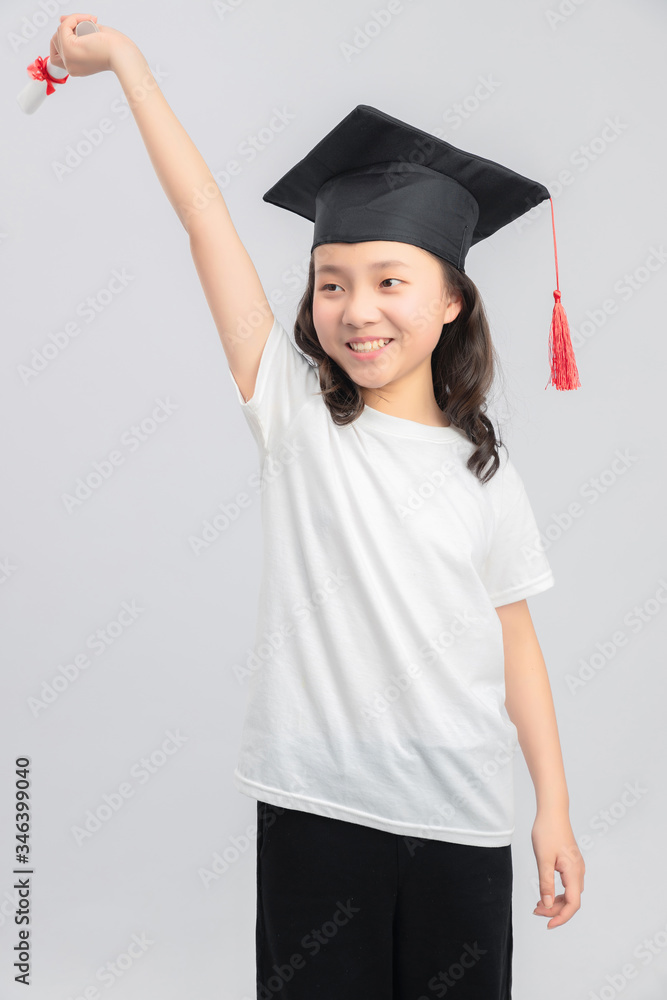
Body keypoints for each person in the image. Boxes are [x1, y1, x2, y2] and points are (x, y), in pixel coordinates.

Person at [49, 14, 586, 999]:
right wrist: (127, 64)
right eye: (331, 283)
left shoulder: (485, 475)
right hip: (317, 812)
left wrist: (552, 805)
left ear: (453, 298)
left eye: (390, 281)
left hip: (462, 819)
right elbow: (205, 215)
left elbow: (515, 641)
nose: (356, 309)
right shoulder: (296, 416)